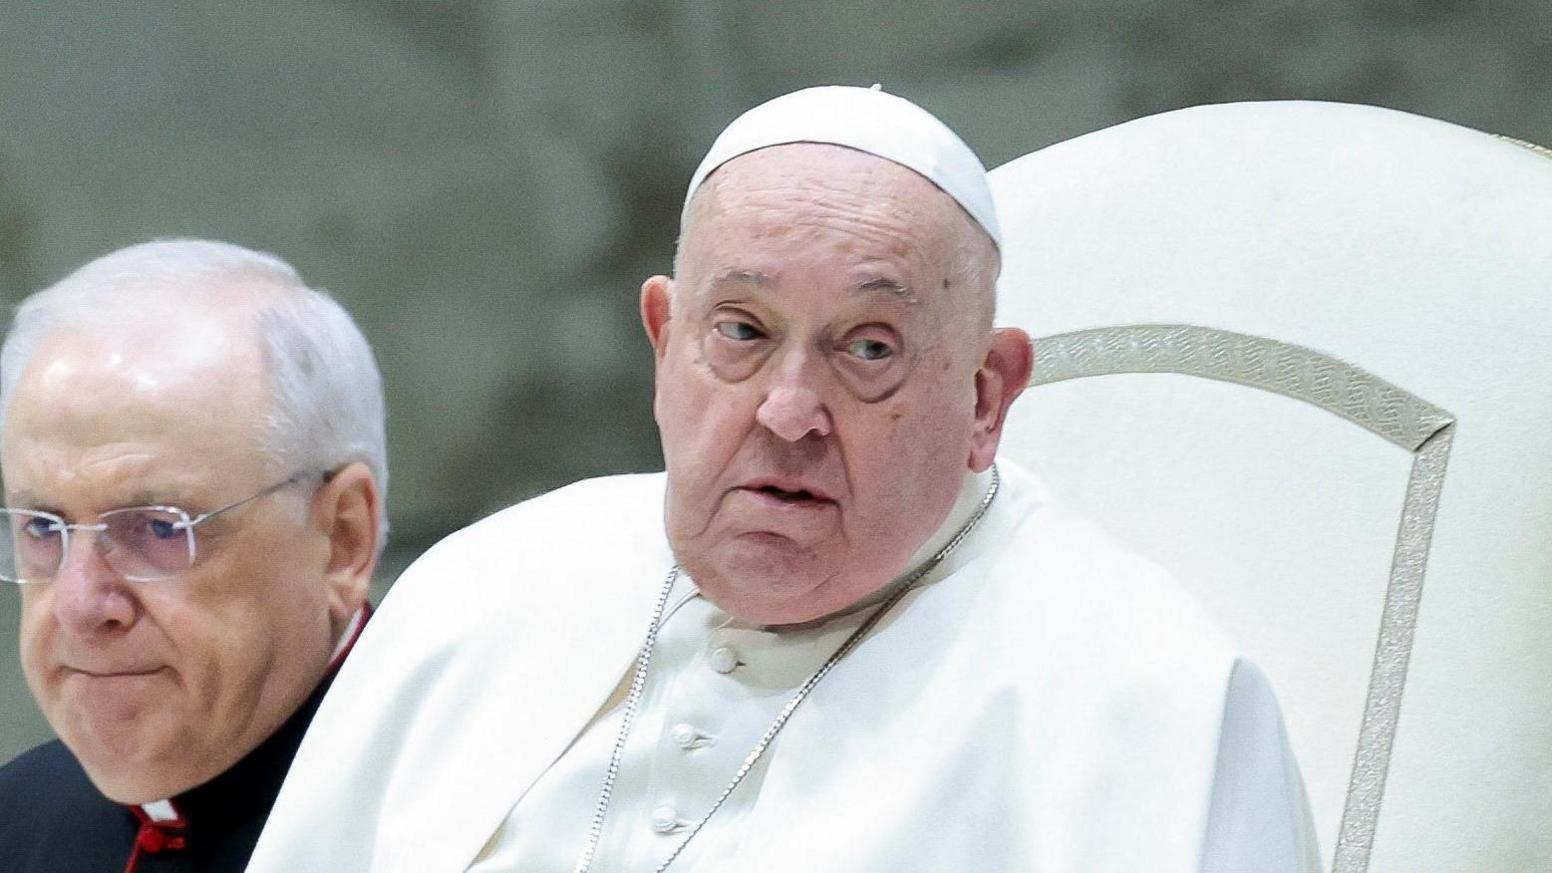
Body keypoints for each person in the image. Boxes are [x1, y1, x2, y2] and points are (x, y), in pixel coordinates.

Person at [251, 86, 1321, 872]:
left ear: (987, 397)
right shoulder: (476, 592)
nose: (788, 409)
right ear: (665, 341)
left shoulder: (1149, 701)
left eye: (868, 348)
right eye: (743, 332)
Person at [0, 239, 387, 872]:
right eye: (44, 527)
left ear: (342, 540)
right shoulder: (14, 825)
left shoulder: (483, 829)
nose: (78, 605)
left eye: (157, 527)